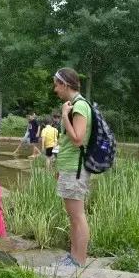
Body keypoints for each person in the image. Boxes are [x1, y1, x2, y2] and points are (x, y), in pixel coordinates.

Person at [52, 67, 91, 267]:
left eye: (56, 85)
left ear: (65, 84)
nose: (55, 89)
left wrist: (64, 115)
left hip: (75, 168)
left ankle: (79, 261)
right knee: (73, 216)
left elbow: (77, 139)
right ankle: (74, 257)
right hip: (69, 167)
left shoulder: (79, 106)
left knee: (77, 216)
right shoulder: (74, 105)